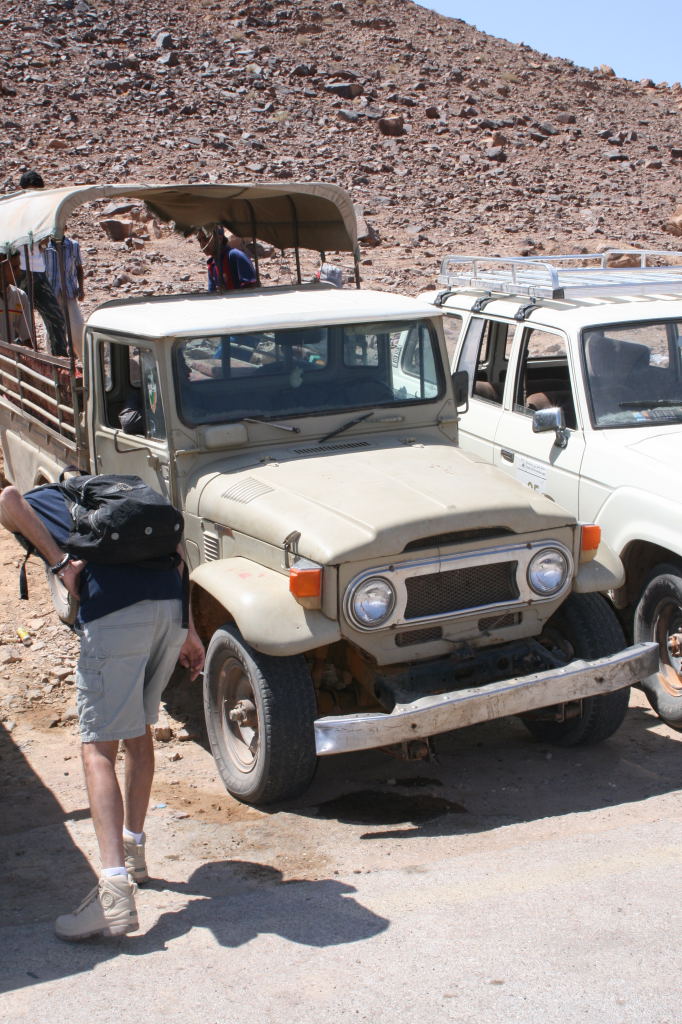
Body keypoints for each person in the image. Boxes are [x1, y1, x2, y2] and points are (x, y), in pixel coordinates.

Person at [0, 480, 205, 941]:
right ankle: (133, 852)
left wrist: (57, 562)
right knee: (139, 732)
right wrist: (190, 630)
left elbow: (7, 499)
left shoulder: (47, 498)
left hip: (116, 617)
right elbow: (179, 552)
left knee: (97, 749)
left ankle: (114, 892)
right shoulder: (130, 497)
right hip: (167, 615)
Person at [17, 170, 69, 357]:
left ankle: (60, 363)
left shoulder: (41, 211)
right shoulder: (15, 210)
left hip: (38, 270)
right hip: (17, 271)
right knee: (19, 321)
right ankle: (21, 364)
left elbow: (50, 239)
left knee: (56, 318)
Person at [45, 226, 85, 359]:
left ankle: (84, 359)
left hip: (69, 291)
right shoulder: (45, 247)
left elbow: (79, 268)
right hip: (52, 292)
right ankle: (53, 359)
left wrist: (81, 289)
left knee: (77, 326)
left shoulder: (73, 245)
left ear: (65, 228)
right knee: (53, 327)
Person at [197, 226, 257, 292]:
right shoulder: (212, 264)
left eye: (206, 239)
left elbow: (251, 288)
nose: (202, 244)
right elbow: (212, 293)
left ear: (219, 239)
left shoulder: (235, 256)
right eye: (199, 240)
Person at [0, 251, 31, 345]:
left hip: (9, 356)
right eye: (14, 268)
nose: (19, 272)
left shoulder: (20, 297)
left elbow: (27, 338)